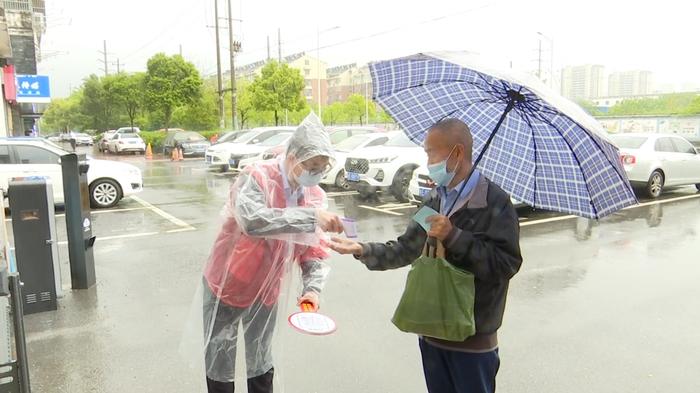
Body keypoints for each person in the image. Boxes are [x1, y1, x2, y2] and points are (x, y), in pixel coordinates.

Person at [330, 118, 522, 393]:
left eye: (431, 152)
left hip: (473, 343)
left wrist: (454, 236)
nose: (427, 159)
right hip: (432, 335)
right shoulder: (435, 198)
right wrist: (363, 250)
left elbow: (505, 265)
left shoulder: (494, 201)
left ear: (457, 153)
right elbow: (407, 248)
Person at [201, 113, 343, 393]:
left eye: (321, 168)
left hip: (266, 291)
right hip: (227, 284)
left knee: (261, 362)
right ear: (293, 157)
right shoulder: (256, 177)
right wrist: (311, 217)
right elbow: (253, 221)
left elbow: (312, 249)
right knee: (220, 362)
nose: (315, 172)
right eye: (311, 165)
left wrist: (312, 289)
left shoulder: (312, 194)